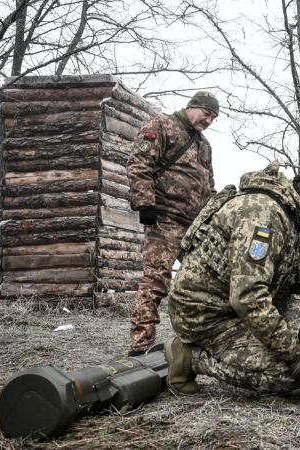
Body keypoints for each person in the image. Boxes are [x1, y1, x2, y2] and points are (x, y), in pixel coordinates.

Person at [164, 160, 300, 395]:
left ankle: (245, 350)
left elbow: (270, 280)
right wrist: (294, 356)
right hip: (203, 315)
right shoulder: (265, 215)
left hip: (226, 307)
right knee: (282, 375)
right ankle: (187, 355)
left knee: (291, 360)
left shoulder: (282, 213)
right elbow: (249, 296)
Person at [126, 91, 219, 356]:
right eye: (207, 114)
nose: (209, 121)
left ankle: (198, 345)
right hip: (165, 220)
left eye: (214, 118)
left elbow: (209, 186)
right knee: (155, 282)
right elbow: (139, 164)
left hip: (194, 228)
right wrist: (146, 204)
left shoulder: (205, 146)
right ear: (192, 107)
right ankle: (140, 346)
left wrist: (212, 217)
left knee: (202, 284)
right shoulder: (161, 125)